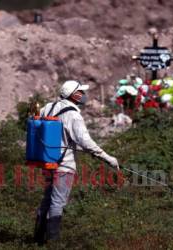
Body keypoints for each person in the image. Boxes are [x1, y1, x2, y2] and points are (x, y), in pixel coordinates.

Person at [34, 80, 120, 245]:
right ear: (73, 95)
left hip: (47, 162)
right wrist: (107, 158)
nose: (83, 95)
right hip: (64, 166)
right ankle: (53, 242)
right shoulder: (73, 114)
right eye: (81, 92)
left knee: (47, 200)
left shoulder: (48, 107)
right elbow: (85, 141)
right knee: (58, 202)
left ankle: (37, 239)